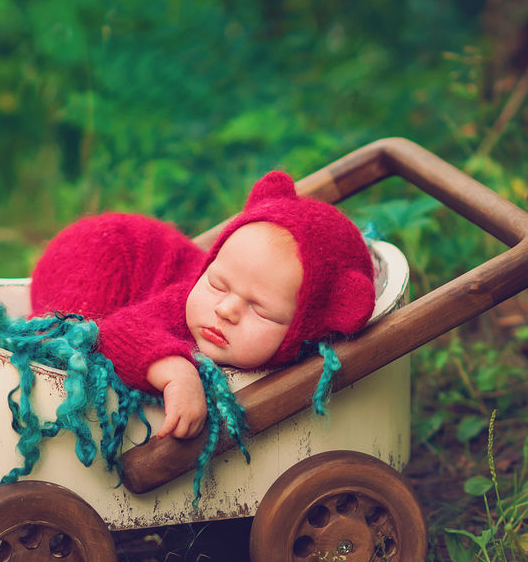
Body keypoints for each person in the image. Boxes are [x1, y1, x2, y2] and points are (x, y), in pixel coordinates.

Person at [30, 171, 377, 439]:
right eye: (216, 282)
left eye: (259, 308)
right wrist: (177, 373)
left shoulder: (232, 311)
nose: (226, 309)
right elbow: (117, 332)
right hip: (101, 255)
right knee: (69, 342)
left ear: (304, 330)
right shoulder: (186, 302)